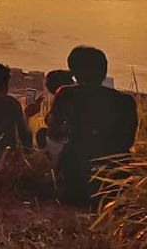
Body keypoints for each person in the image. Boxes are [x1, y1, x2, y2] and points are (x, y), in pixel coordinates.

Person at [47, 46, 138, 206]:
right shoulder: (126, 101)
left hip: (75, 184)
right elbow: (127, 142)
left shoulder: (65, 94)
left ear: (73, 73)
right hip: (115, 183)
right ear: (104, 70)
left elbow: (53, 133)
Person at [28, 69, 74, 158]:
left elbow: (55, 133)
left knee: (42, 133)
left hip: (62, 151)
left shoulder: (62, 103)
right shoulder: (74, 101)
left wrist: (27, 115)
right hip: (67, 148)